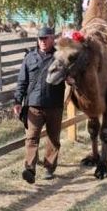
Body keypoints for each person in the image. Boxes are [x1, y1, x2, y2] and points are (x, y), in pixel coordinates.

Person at [13, 26, 65, 184]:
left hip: (54, 105)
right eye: (40, 39)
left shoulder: (60, 57)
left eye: (46, 38)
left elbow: (71, 75)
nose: (42, 42)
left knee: (53, 138)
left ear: (52, 38)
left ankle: (49, 167)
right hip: (34, 106)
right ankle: (29, 169)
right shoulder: (29, 58)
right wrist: (17, 101)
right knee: (31, 138)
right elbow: (22, 81)